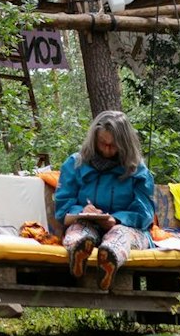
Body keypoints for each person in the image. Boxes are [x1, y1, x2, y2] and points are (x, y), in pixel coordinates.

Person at [54, 110, 156, 291]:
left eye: (114, 145)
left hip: (127, 228)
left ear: (125, 144)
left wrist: (117, 219)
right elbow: (62, 207)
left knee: (119, 236)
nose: (107, 149)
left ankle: (109, 257)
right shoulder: (75, 164)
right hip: (86, 222)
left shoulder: (138, 171)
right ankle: (78, 252)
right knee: (78, 232)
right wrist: (82, 211)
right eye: (103, 143)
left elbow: (145, 214)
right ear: (94, 140)